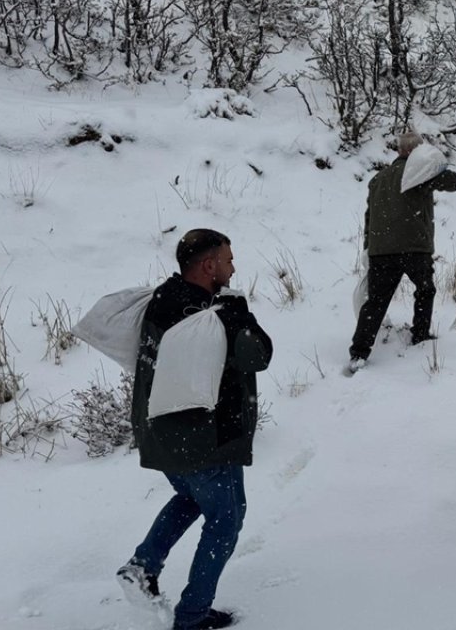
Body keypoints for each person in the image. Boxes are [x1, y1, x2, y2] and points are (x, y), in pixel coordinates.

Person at [116, 229, 273, 630]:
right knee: (226, 519)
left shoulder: (163, 299)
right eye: (228, 259)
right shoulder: (211, 317)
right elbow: (258, 354)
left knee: (190, 497)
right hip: (203, 439)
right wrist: (240, 314)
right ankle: (192, 617)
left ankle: (142, 567)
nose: (233, 267)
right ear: (208, 266)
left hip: (161, 432)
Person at [347, 131, 456, 372]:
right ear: (417, 152)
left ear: (399, 150)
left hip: (381, 250)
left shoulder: (378, 179)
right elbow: (454, 183)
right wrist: (435, 164)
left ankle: (358, 352)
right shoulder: (420, 174)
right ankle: (419, 334)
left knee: (376, 302)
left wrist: (369, 247)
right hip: (414, 248)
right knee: (425, 290)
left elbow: (369, 217)